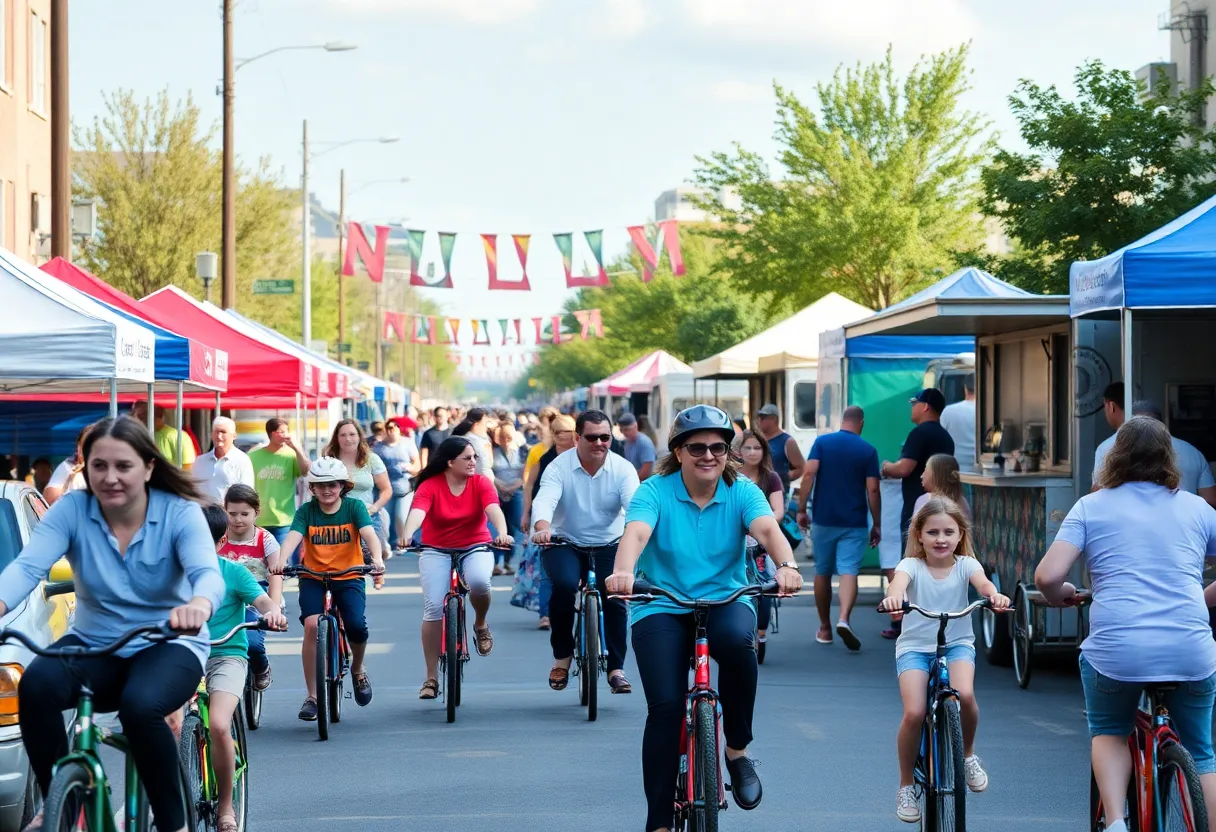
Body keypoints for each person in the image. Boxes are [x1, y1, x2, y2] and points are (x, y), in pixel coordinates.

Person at [0, 417, 224, 832]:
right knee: (35, 686)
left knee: (140, 708)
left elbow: (207, 574)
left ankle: (173, 824)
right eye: (99, 466)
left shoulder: (178, 513)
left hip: (168, 644)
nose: (110, 477)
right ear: (86, 468)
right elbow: (27, 567)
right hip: (93, 645)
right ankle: (64, 807)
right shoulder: (72, 510)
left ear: (148, 468)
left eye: (123, 466)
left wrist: (198, 603)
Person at [605, 405, 803, 831]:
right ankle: (658, 821)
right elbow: (636, 533)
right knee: (666, 709)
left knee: (737, 645)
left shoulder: (743, 490)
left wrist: (787, 566)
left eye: (718, 446)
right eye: (697, 447)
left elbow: (768, 531)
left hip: (726, 597)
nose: (708, 455)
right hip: (660, 600)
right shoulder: (655, 490)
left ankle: (736, 751)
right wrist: (623, 572)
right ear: (679, 451)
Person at [1036, 416, 1216, 832]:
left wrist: (1058, 594)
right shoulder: (1198, 508)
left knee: (1110, 731)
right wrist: (1201, 600)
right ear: (1168, 458)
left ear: (1113, 459)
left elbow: (1047, 576)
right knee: (1202, 753)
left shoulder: (1091, 506)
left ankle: (1116, 821)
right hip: (1190, 648)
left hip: (1118, 651)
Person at [880, 496, 1007, 824]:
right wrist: (896, 596)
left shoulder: (966, 565)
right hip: (914, 648)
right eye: (933, 532)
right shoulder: (912, 566)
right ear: (919, 535)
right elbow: (899, 582)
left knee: (965, 695)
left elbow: (984, 583)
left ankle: (966, 756)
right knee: (914, 712)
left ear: (960, 536)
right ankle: (906, 785)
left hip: (957, 644)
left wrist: (993, 596)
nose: (941, 539)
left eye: (949, 532)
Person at [531, 410, 639, 693]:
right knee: (565, 587)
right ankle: (563, 657)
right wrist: (542, 527)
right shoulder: (558, 467)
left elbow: (636, 509)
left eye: (605, 437)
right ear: (578, 437)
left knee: (615, 596)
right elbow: (544, 502)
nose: (600, 443)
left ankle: (616, 668)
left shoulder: (623, 469)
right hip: (564, 541)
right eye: (592, 437)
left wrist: (639, 533)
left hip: (610, 543)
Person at [268, 458, 385, 721]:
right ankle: (312, 696)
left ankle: (357, 668)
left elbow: (369, 535)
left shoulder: (354, 507)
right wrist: (281, 561)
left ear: (342, 486)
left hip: (349, 574)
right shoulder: (306, 511)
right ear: (312, 488)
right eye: (320, 486)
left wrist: (376, 559)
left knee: (356, 624)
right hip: (313, 575)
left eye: (332, 485)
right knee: (311, 626)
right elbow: (292, 538)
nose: (326, 490)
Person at [401, 437, 513, 700]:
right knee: (433, 607)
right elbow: (418, 511)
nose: (474, 462)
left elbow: (493, 509)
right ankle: (430, 677)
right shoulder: (430, 484)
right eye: (467, 458)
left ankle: (481, 624)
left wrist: (503, 533)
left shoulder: (481, 482)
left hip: (475, 545)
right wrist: (407, 533)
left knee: (479, 583)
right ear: (450, 462)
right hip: (435, 548)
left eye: (475, 457)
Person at [199, 504, 287, 832]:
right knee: (166, 725)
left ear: (221, 542)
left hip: (226, 655)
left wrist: (272, 612)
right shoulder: (170, 572)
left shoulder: (233, 572)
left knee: (220, 724)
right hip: (183, 656)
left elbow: (262, 600)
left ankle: (225, 808)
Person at [796, 405, 881, 650]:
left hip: (823, 518)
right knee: (848, 571)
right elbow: (873, 489)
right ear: (861, 423)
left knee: (822, 571)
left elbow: (809, 474)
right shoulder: (868, 450)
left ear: (842, 420)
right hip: (854, 522)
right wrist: (877, 523)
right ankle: (844, 618)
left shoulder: (822, 443)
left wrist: (802, 509)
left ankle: (825, 628)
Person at [881, 388, 954, 641]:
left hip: (918, 512)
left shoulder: (919, 433)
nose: (912, 407)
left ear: (925, 407)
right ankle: (939, 621)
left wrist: (886, 467)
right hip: (945, 511)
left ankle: (908, 622)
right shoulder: (945, 437)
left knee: (912, 565)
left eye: (915, 403)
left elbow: (905, 468)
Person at [218, 483, 282, 691]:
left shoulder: (266, 540)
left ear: (256, 513)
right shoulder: (218, 538)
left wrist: (273, 610)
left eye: (244, 514)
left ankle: (261, 667)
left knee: (253, 644)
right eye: (232, 513)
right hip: (225, 597)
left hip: (256, 599)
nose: (238, 519)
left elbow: (275, 575)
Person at [1093, 399, 1216, 507]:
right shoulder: (1192, 452)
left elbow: (1098, 495)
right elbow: (1211, 500)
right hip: (1184, 526)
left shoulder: (1108, 447)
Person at [521, 414, 576, 630]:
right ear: (554, 434)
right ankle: (545, 614)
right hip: (548, 516)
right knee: (547, 568)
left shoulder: (580, 456)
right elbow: (529, 485)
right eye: (561, 433)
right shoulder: (544, 457)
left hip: (574, 517)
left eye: (570, 432)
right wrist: (526, 513)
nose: (566, 437)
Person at [737, 430, 784, 661]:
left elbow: (778, 511)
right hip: (734, 543)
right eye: (748, 447)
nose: (752, 452)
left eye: (757, 448)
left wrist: (757, 526)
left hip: (761, 545)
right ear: (739, 451)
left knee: (763, 589)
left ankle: (761, 632)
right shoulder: (730, 475)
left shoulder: (770, 477)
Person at [324, 419, 392, 554]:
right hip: (336, 519)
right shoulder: (329, 461)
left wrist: (374, 508)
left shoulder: (371, 459)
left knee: (374, 566)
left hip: (368, 517)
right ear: (336, 438)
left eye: (352, 434)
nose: (348, 439)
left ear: (359, 437)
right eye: (342, 435)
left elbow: (386, 490)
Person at [248, 418, 312, 546]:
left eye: (287, 432)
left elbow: (306, 471)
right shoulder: (253, 456)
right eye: (281, 432)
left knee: (285, 563)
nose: (286, 435)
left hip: (285, 521)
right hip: (259, 521)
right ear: (272, 434)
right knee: (261, 564)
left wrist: (297, 448)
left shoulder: (291, 455)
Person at [372, 416, 420, 553]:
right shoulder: (379, 447)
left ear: (399, 429)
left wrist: (410, 468)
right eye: (388, 428)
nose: (391, 431)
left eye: (394, 428)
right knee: (385, 519)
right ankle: (386, 545)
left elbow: (417, 465)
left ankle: (402, 543)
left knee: (400, 516)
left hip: (404, 487)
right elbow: (372, 465)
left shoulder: (408, 443)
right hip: (386, 487)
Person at [193, 416, 255, 503]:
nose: (219, 436)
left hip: (229, 515)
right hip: (203, 515)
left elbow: (246, 495)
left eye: (223, 432)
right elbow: (193, 491)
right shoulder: (200, 461)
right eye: (216, 432)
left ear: (234, 436)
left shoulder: (242, 461)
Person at [491, 423, 525, 575]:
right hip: (497, 492)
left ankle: (508, 561)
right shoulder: (492, 451)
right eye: (503, 436)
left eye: (509, 436)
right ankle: (496, 563)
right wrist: (501, 487)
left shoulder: (523, 451)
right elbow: (488, 471)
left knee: (515, 527)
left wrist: (513, 487)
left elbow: (527, 473)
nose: (507, 439)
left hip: (516, 492)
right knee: (497, 528)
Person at [753, 403, 805, 493]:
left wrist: (783, 477)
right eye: (759, 417)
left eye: (763, 417)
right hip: (757, 492)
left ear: (773, 419)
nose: (759, 421)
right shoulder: (757, 440)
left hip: (778, 493)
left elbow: (801, 468)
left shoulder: (787, 441)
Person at [132, 402, 197, 470]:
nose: (137, 419)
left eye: (141, 415)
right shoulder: (139, 436)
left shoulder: (177, 436)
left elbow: (188, 466)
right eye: (135, 415)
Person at [913, 453, 972, 521]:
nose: (921, 476)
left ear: (936, 476)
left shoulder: (923, 501)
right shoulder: (962, 501)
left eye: (925, 470)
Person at [44, 425, 91, 504]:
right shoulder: (68, 467)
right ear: (78, 447)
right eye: (85, 445)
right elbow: (49, 500)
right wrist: (68, 482)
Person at [939, 374, 976, 469]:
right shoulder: (989, 413)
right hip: (983, 471)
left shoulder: (948, 411)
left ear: (965, 389)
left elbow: (939, 441)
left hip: (954, 470)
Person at [619, 412, 657, 480]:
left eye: (627, 429)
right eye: (622, 430)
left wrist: (632, 481)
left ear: (635, 426)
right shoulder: (628, 442)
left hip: (644, 483)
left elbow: (646, 471)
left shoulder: (644, 443)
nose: (625, 433)